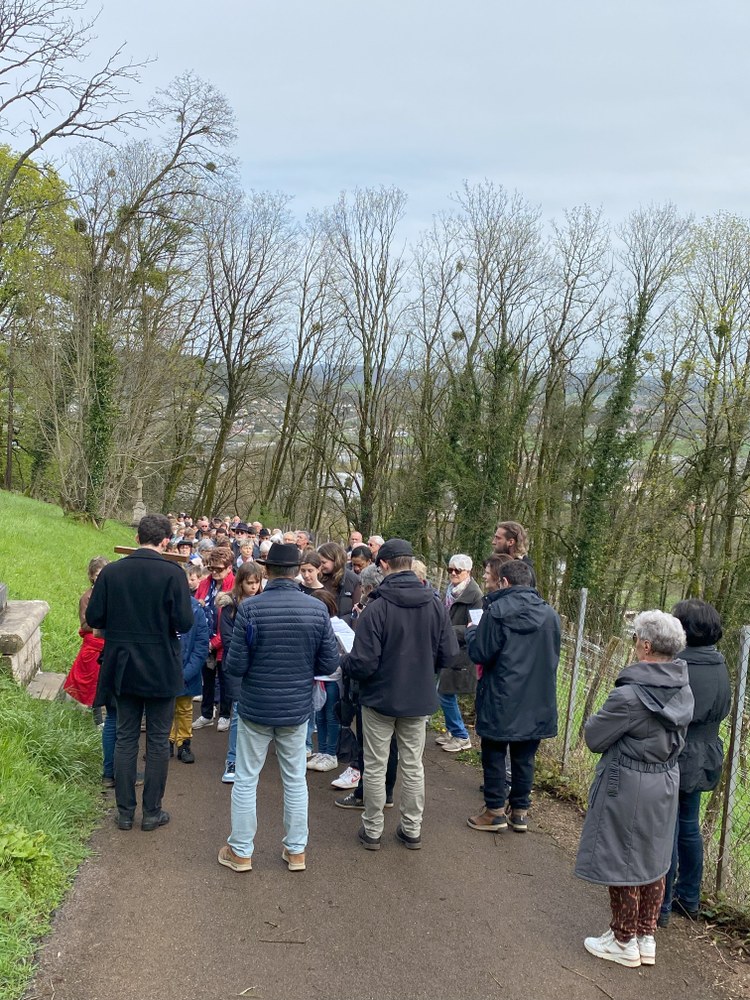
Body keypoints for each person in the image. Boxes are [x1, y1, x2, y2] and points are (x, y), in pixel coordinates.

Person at [575, 610, 694, 969]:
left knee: (622, 858)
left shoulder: (630, 696)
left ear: (644, 646)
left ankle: (623, 939)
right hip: (665, 781)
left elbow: (594, 737)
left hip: (628, 782)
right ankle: (645, 936)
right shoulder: (684, 689)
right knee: (654, 860)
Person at [218, 542, 340, 873]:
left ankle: (241, 851)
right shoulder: (316, 609)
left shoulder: (250, 609)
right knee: (295, 780)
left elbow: (235, 665)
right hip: (296, 708)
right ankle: (296, 851)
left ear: (267, 571)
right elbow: (329, 663)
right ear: (297, 571)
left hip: (256, 706)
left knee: (246, 779)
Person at [342, 538, 457, 851]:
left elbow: (364, 663)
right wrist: (424, 669)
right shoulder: (435, 604)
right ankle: (411, 829)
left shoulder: (376, 607)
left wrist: (344, 662)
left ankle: (373, 830)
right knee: (413, 765)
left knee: (376, 765)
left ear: (383, 564)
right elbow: (449, 654)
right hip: (417, 698)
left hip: (379, 698)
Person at [86, 513, 194, 832]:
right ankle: (151, 812)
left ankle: (124, 813)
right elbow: (185, 622)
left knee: (125, 737)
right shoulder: (173, 574)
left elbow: (95, 617)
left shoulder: (112, 572)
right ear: (166, 541)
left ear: (136, 538)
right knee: (158, 741)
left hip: (122, 665)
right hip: (161, 664)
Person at [465, 559, 559, 834]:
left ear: (504, 582)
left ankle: (494, 811)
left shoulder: (496, 611)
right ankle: (520, 811)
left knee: (494, 752)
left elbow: (481, 653)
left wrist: (472, 633)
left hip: (502, 694)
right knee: (524, 756)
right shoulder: (550, 614)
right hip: (538, 696)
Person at [659, 599, 731, 925]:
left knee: (667, 826)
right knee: (688, 823)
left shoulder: (680, 665)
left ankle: (660, 903)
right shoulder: (720, 664)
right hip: (707, 752)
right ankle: (688, 897)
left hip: (678, 751)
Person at [218, 562, 264, 784]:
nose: (253, 587)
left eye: (256, 583)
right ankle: (232, 759)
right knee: (237, 712)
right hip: (236, 666)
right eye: (249, 583)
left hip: (259, 666)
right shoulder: (230, 608)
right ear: (240, 583)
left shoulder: (263, 603)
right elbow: (228, 641)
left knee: (257, 714)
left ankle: (251, 759)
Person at [436, 554, 483, 754]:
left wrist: (447, 631)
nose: (453, 573)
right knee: (444, 691)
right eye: (450, 570)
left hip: (461, 651)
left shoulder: (475, 596)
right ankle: (452, 730)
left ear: (468, 572)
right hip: (446, 647)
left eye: (458, 570)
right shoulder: (449, 591)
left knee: (445, 693)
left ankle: (462, 736)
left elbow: (475, 627)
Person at [192, 548, 235, 732]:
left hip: (224, 641)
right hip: (205, 638)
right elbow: (196, 607)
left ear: (229, 567)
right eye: (211, 568)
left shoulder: (235, 585)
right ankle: (207, 714)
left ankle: (225, 714)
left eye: (219, 569)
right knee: (207, 680)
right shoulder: (205, 583)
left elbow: (232, 619)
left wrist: (215, 642)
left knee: (225, 680)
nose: (215, 572)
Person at [64, 556, 109, 711]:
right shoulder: (87, 597)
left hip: (109, 639)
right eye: (98, 575)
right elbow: (85, 624)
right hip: (94, 639)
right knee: (89, 674)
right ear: (91, 576)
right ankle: (85, 703)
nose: (101, 578)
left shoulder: (112, 593)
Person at [169, 596, 210, 764]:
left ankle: (184, 743)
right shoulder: (160, 602)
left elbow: (201, 645)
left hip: (187, 669)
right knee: (164, 708)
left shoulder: (195, 609)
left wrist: (186, 673)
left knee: (185, 708)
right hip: (164, 669)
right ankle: (166, 741)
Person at [306, 589, 342, 773]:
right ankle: (321, 751)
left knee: (331, 716)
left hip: (333, 679)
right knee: (319, 716)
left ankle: (331, 754)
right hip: (317, 678)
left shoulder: (338, 625)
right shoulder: (313, 624)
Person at [317, 541, 361, 616]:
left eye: (324, 562)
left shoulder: (353, 580)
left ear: (336, 561)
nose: (320, 566)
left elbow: (356, 610)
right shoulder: (317, 577)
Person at [491, 521, 536, 587]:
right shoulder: (502, 564)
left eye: (498, 538)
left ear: (511, 542)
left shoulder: (523, 571)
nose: (493, 542)